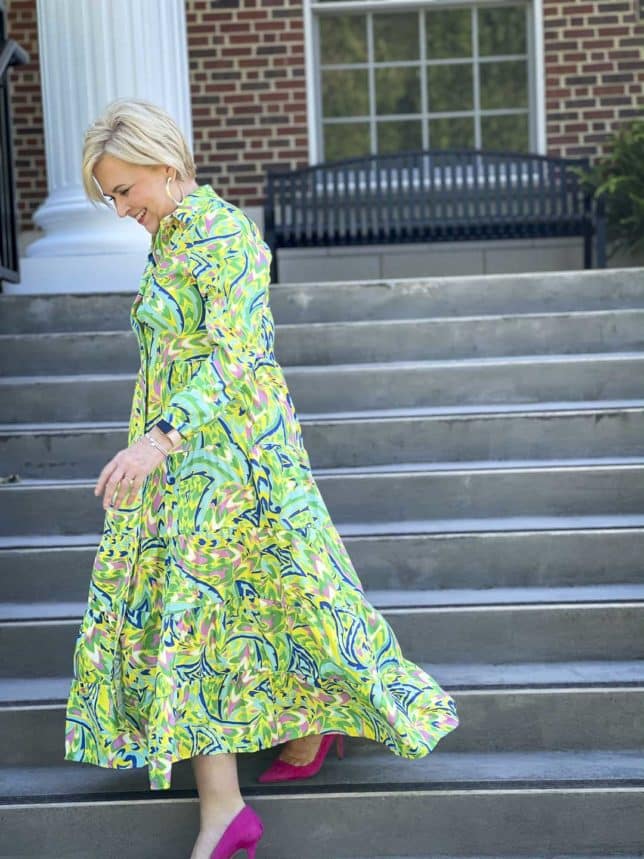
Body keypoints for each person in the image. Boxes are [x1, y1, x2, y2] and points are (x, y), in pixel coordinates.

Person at [63, 97, 460, 859]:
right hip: (186, 456)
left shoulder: (222, 232)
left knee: (210, 611)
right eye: (109, 197)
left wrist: (158, 441)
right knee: (243, 601)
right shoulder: (172, 236)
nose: (119, 208)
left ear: (164, 163)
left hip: (229, 452)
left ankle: (227, 808)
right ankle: (294, 739)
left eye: (123, 189)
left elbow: (234, 356)